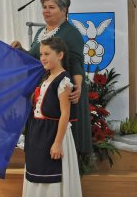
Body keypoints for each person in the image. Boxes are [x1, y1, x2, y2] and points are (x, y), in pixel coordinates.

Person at [11, 0, 92, 154]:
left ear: (64, 10)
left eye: (51, 7)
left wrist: (78, 86)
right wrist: (21, 50)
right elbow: (36, 60)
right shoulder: (41, 32)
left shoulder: (71, 33)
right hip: (45, 92)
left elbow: (77, 62)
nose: (46, 11)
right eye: (44, 7)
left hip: (61, 92)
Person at [23, 37, 82, 197]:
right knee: (35, 174)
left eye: (47, 54)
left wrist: (57, 144)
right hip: (38, 134)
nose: (43, 58)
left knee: (51, 178)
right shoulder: (46, 79)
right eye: (41, 54)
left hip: (53, 135)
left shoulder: (63, 81)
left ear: (60, 55)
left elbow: (65, 114)